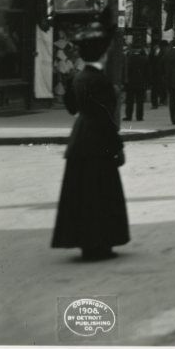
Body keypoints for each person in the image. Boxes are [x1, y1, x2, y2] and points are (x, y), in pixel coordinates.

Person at [51, 25, 130, 262]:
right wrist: (118, 147)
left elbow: (71, 107)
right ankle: (100, 243)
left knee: (80, 193)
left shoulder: (78, 77)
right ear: (103, 55)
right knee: (100, 194)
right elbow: (106, 119)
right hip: (98, 141)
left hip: (79, 139)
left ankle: (85, 242)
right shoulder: (100, 81)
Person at [122, 36, 149, 123]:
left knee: (129, 101)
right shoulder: (144, 59)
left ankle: (128, 116)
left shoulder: (128, 59)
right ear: (140, 49)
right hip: (141, 83)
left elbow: (125, 71)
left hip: (130, 83)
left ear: (133, 49)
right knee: (140, 101)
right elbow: (147, 72)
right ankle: (139, 116)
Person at [149, 37, 168, 109]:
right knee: (161, 87)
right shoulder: (164, 50)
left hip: (157, 72)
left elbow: (154, 59)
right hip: (161, 72)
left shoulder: (158, 50)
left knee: (156, 88)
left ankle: (157, 102)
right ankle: (162, 100)